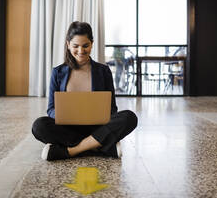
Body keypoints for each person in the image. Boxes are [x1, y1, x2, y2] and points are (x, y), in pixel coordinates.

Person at [32, 21, 138, 161]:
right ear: (68, 44)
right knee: (39, 126)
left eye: (85, 46)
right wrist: (63, 114)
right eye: (75, 46)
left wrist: (101, 114)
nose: (81, 51)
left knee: (129, 117)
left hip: (96, 127)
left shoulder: (103, 71)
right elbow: (51, 109)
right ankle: (100, 147)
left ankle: (71, 151)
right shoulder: (57, 72)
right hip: (68, 128)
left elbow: (112, 107)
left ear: (92, 44)